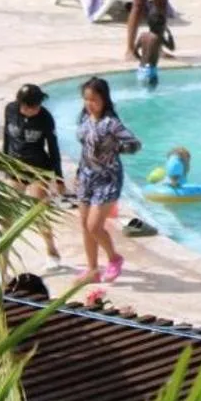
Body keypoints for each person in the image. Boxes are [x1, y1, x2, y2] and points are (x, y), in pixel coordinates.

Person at [73, 76, 140, 284]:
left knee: (94, 226)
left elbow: (135, 144)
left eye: (94, 100)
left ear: (104, 99)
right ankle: (92, 269)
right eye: (86, 99)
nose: (90, 104)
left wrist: (115, 148)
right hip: (86, 176)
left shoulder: (111, 124)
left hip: (107, 179)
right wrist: (78, 173)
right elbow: (86, 148)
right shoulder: (84, 119)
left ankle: (114, 258)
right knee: (84, 224)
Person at [3, 83, 67, 270]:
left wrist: (59, 179)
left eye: (38, 105)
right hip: (15, 168)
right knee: (5, 216)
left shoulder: (45, 118)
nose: (35, 109)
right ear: (21, 104)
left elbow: (53, 148)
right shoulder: (10, 110)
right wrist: (3, 164)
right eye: (31, 107)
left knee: (37, 212)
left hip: (39, 169)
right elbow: (7, 138)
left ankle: (51, 250)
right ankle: (3, 264)